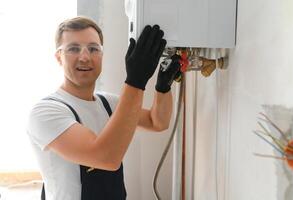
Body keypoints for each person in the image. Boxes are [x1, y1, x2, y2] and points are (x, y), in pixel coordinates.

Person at [27, 16, 181, 200]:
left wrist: (163, 87)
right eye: (73, 49)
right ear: (58, 57)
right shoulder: (46, 112)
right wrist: (136, 80)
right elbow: (105, 158)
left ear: (101, 55)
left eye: (93, 49)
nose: (84, 57)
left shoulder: (108, 103)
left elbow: (158, 122)